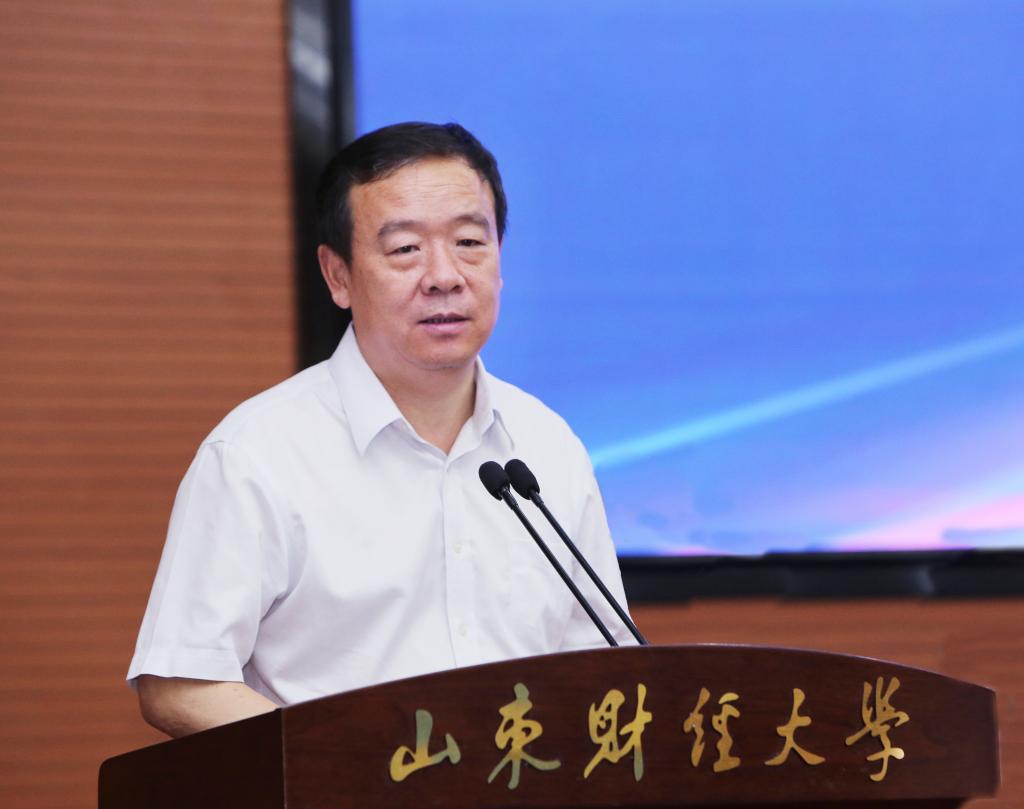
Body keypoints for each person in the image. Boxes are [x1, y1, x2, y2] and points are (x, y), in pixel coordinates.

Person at [128, 122, 633, 738]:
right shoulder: (256, 454)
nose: (444, 275)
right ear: (338, 276)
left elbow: (604, 666)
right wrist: (350, 767)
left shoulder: (547, 447)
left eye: (469, 242)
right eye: (405, 249)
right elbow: (181, 684)